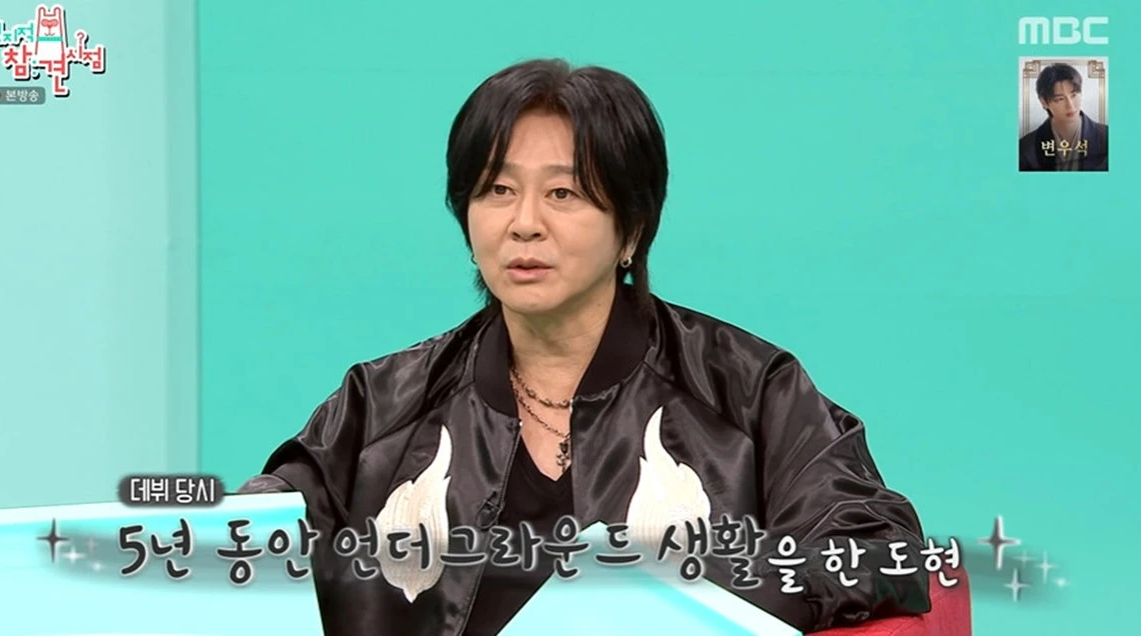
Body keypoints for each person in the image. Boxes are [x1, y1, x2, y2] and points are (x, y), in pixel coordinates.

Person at [239, 58, 932, 635]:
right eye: (497, 190)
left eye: (564, 193)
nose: (524, 223)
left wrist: (699, 600)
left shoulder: (747, 389)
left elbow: (878, 548)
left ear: (631, 228)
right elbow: (260, 528)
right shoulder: (384, 401)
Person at [1019, 62, 1109, 171]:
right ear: (1044, 101)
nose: (1070, 105)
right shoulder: (1026, 148)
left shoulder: (1107, 138)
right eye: (1060, 99)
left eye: (1074, 95)